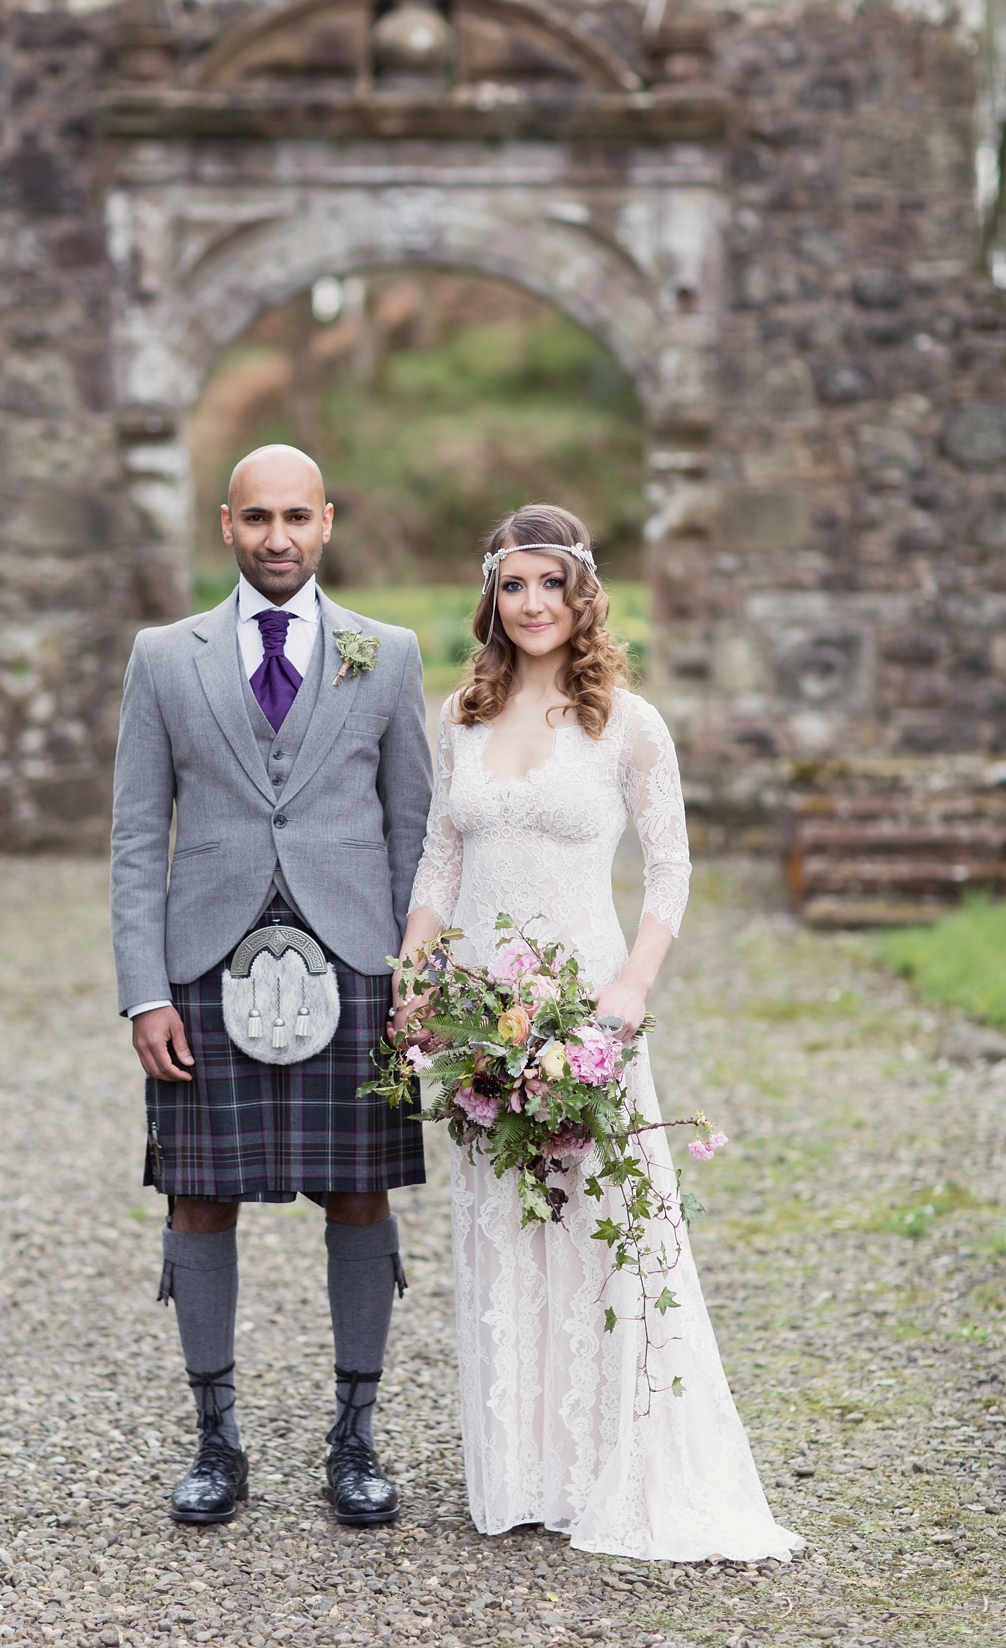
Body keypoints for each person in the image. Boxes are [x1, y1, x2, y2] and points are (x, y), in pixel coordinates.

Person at [395, 502, 803, 1562]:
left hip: (586, 1014)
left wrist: (629, 988)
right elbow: (439, 862)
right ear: (491, 594)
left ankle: (608, 1467)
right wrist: (416, 973)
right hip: (484, 1018)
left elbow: (671, 869)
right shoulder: (461, 717)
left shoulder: (627, 721)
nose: (532, 604)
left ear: (585, 594)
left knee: (600, 1225)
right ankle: (523, 1471)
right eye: (513, 584)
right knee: (502, 1228)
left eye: (551, 583)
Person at [110, 443, 433, 1528]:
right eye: (258, 518)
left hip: (356, 957)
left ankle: (355, 1441)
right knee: (197, 1196)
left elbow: (413, 831)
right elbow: (133, 838)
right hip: (204, 956)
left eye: (298, 516)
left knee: (357, 1188)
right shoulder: (164, 658)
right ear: (226, 525)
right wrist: (144, 991)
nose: (279, 537)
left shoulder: (387, 655)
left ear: (329, 522)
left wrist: (413, 977)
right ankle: (217, 1441)